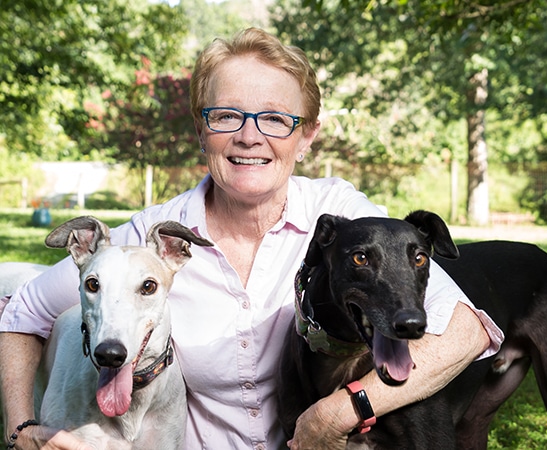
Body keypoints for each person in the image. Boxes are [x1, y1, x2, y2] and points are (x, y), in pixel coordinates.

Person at [0, 27, 503, 450]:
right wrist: (22, 429)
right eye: (226, 116)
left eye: (275, 119)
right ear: (201, 130)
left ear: (306, 137)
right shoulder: (147, 244)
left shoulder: (346, 220)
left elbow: (466, 331)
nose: (249, 136)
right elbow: (23, 313)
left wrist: (338, 411)